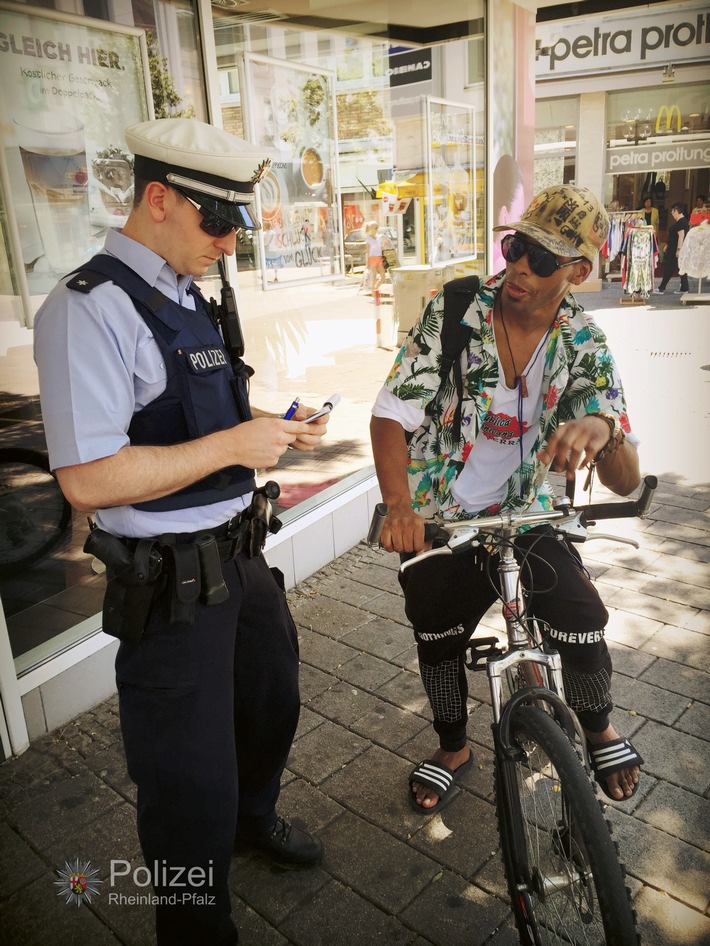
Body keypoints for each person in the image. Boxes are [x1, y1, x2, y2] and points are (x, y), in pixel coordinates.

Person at [33, 118, 328, 946]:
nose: (230, 244)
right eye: (217, 223)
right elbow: (87, 478)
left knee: (273, 707)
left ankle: (251, 819)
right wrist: (237, 444)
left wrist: (268, 427)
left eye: (239, 226)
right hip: (171, 587)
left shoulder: (186, 292)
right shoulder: (86, 309)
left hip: (241, 559)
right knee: (186, 785)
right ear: (157, 198)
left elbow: (186, 424)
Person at [370, 184, 645, 815]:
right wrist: (398, 507)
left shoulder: (584, 344)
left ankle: (598, 725)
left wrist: (603, 432)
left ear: (577, 272)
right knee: (436, 635)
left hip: (526, 511)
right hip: (440, 514)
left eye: (542, 259)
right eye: (516, 246)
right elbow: (389, 417)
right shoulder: (458, 309)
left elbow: (626, 481)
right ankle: (453, 747)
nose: (519, 267)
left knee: (581, 620)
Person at [656, 202, 690, 293]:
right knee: (680, 268)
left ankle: (661, 287)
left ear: (677, 211)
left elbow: (681, 236)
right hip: (673, 248)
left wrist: (678, 250)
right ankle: (684, 287)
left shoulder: (682, 222)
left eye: (672, 211)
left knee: (669, 268)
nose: (671, 213)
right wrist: (667, 245)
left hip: (675, 249)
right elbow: (674, 237)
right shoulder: (680, 222)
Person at [364, 220, 386, 292]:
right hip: (372, 258)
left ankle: (375, 290)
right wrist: (367, 264)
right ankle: (375, 295)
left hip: (379, 258)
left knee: (383, 277)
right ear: (371, 229)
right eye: (376, 228)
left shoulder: (379, 237)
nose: (377, 229)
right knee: (373, 278)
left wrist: (384, 244)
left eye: (377, 227)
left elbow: (380, 248)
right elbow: (367, 252)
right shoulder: (368, 239)